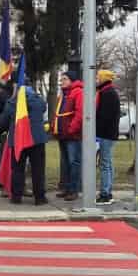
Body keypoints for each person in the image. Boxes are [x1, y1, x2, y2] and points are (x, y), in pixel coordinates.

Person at [3, 81, 50, 205]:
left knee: (17, 169)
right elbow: (44, 107)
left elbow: (5, 118)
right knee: (38, 169)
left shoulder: (12, 102)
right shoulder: (38, 100)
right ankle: (39, 197)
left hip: (19, 138)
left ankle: (16, 197)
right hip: (36, 139)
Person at [54, 71, 84, 201]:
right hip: (63, 134)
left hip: (72, 135)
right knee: (65, 163)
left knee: (73, 162)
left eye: (65, 79)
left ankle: (73, 190)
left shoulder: (78, 92)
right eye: (61, 79)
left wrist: (71, 129)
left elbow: (80, 113)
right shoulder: (64, 94)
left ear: (72, 80)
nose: (62, 81)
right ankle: (66, 188)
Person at [95, 69, 122, 204]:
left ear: (104, 78)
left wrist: (95, 131)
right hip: (109, 133)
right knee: (107, 163)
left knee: (105, 164)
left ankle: (105, 193)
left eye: (98, 77)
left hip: (106, 134)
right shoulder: (108, 92)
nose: (96, 79)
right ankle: (107, 191)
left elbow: (105, 116)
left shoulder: (107, 94)